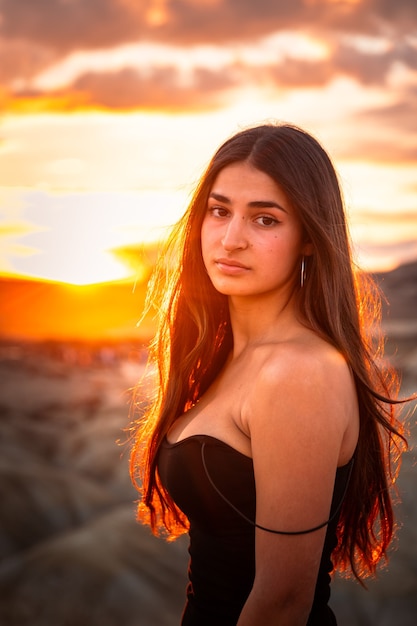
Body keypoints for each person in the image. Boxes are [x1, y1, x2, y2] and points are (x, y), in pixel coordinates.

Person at [130, 122, 409, 625]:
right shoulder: (231, 359)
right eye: (219, 211)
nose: (231, 239)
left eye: (264, 220)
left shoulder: (298, 372)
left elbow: (282, 604)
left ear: (308, 239)